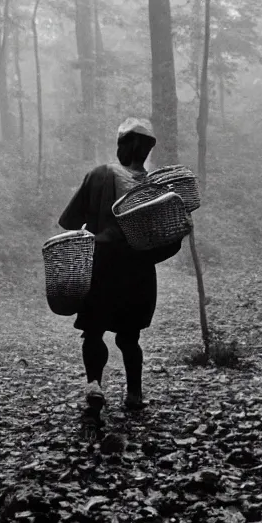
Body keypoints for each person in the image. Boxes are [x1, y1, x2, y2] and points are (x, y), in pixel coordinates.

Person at [57, 117, 182, 421]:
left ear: (122, 145)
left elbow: (69, 223)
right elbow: (171, 241)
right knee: (129, 338)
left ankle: (95, 388)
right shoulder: (156, 189)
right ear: (147, 150)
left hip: (99, 269)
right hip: (138, 274)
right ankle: (134, 395)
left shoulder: (99, 175)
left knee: (93, 332)